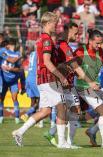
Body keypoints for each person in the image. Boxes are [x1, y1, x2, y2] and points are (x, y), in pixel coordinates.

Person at [12, 12, 71, 149]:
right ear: (47, 23)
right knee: (62, 107)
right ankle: (62, 142)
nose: (56, 27)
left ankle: (19, 132)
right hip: (49, 79)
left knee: (46, 111)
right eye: (54, 24)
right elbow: (46, 61)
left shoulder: (44, 39)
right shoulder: (47, 40)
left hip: (43, 79)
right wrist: (61, 76)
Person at [74, 29, 103, 148]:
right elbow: (74, 69)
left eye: (101, 43)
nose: (100, 46)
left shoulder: (100, 52)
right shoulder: (80, 51)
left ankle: (92, 131)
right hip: (83, 87)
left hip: (96, 87)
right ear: (90, 41)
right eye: (97, 43)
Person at [0, 39, 22, 124]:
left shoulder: (17, 54)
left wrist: (11, 69)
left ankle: (17, 118)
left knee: (14, 98)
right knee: (1, 98)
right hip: (3, 80)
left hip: (13, 81)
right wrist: (18, 57)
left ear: (9, 45)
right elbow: (11, 60)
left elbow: (19, 69)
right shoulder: (3, 51)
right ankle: (1, 117)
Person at [20, 44, 39, 122]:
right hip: (34, 78)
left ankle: (31, 120)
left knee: (33, 100)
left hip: (29, 77)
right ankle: (27, 114)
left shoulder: (32, 54)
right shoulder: (38, 54)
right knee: (41, 100)